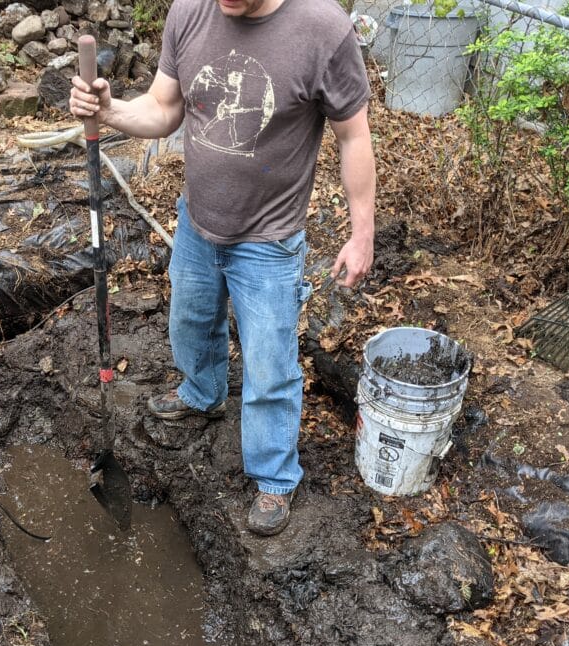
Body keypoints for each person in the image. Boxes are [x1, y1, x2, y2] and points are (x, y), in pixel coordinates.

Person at [70, 0, 376, 536]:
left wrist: (361, 233)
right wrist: (110, 110)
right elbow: (164, 108)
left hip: (269, 241)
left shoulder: (323, 29)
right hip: (197, 221)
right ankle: (202, 392)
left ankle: (274, 476)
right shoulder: (190, 12)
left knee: (269, 366)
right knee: (190, 322)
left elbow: (353, 135)